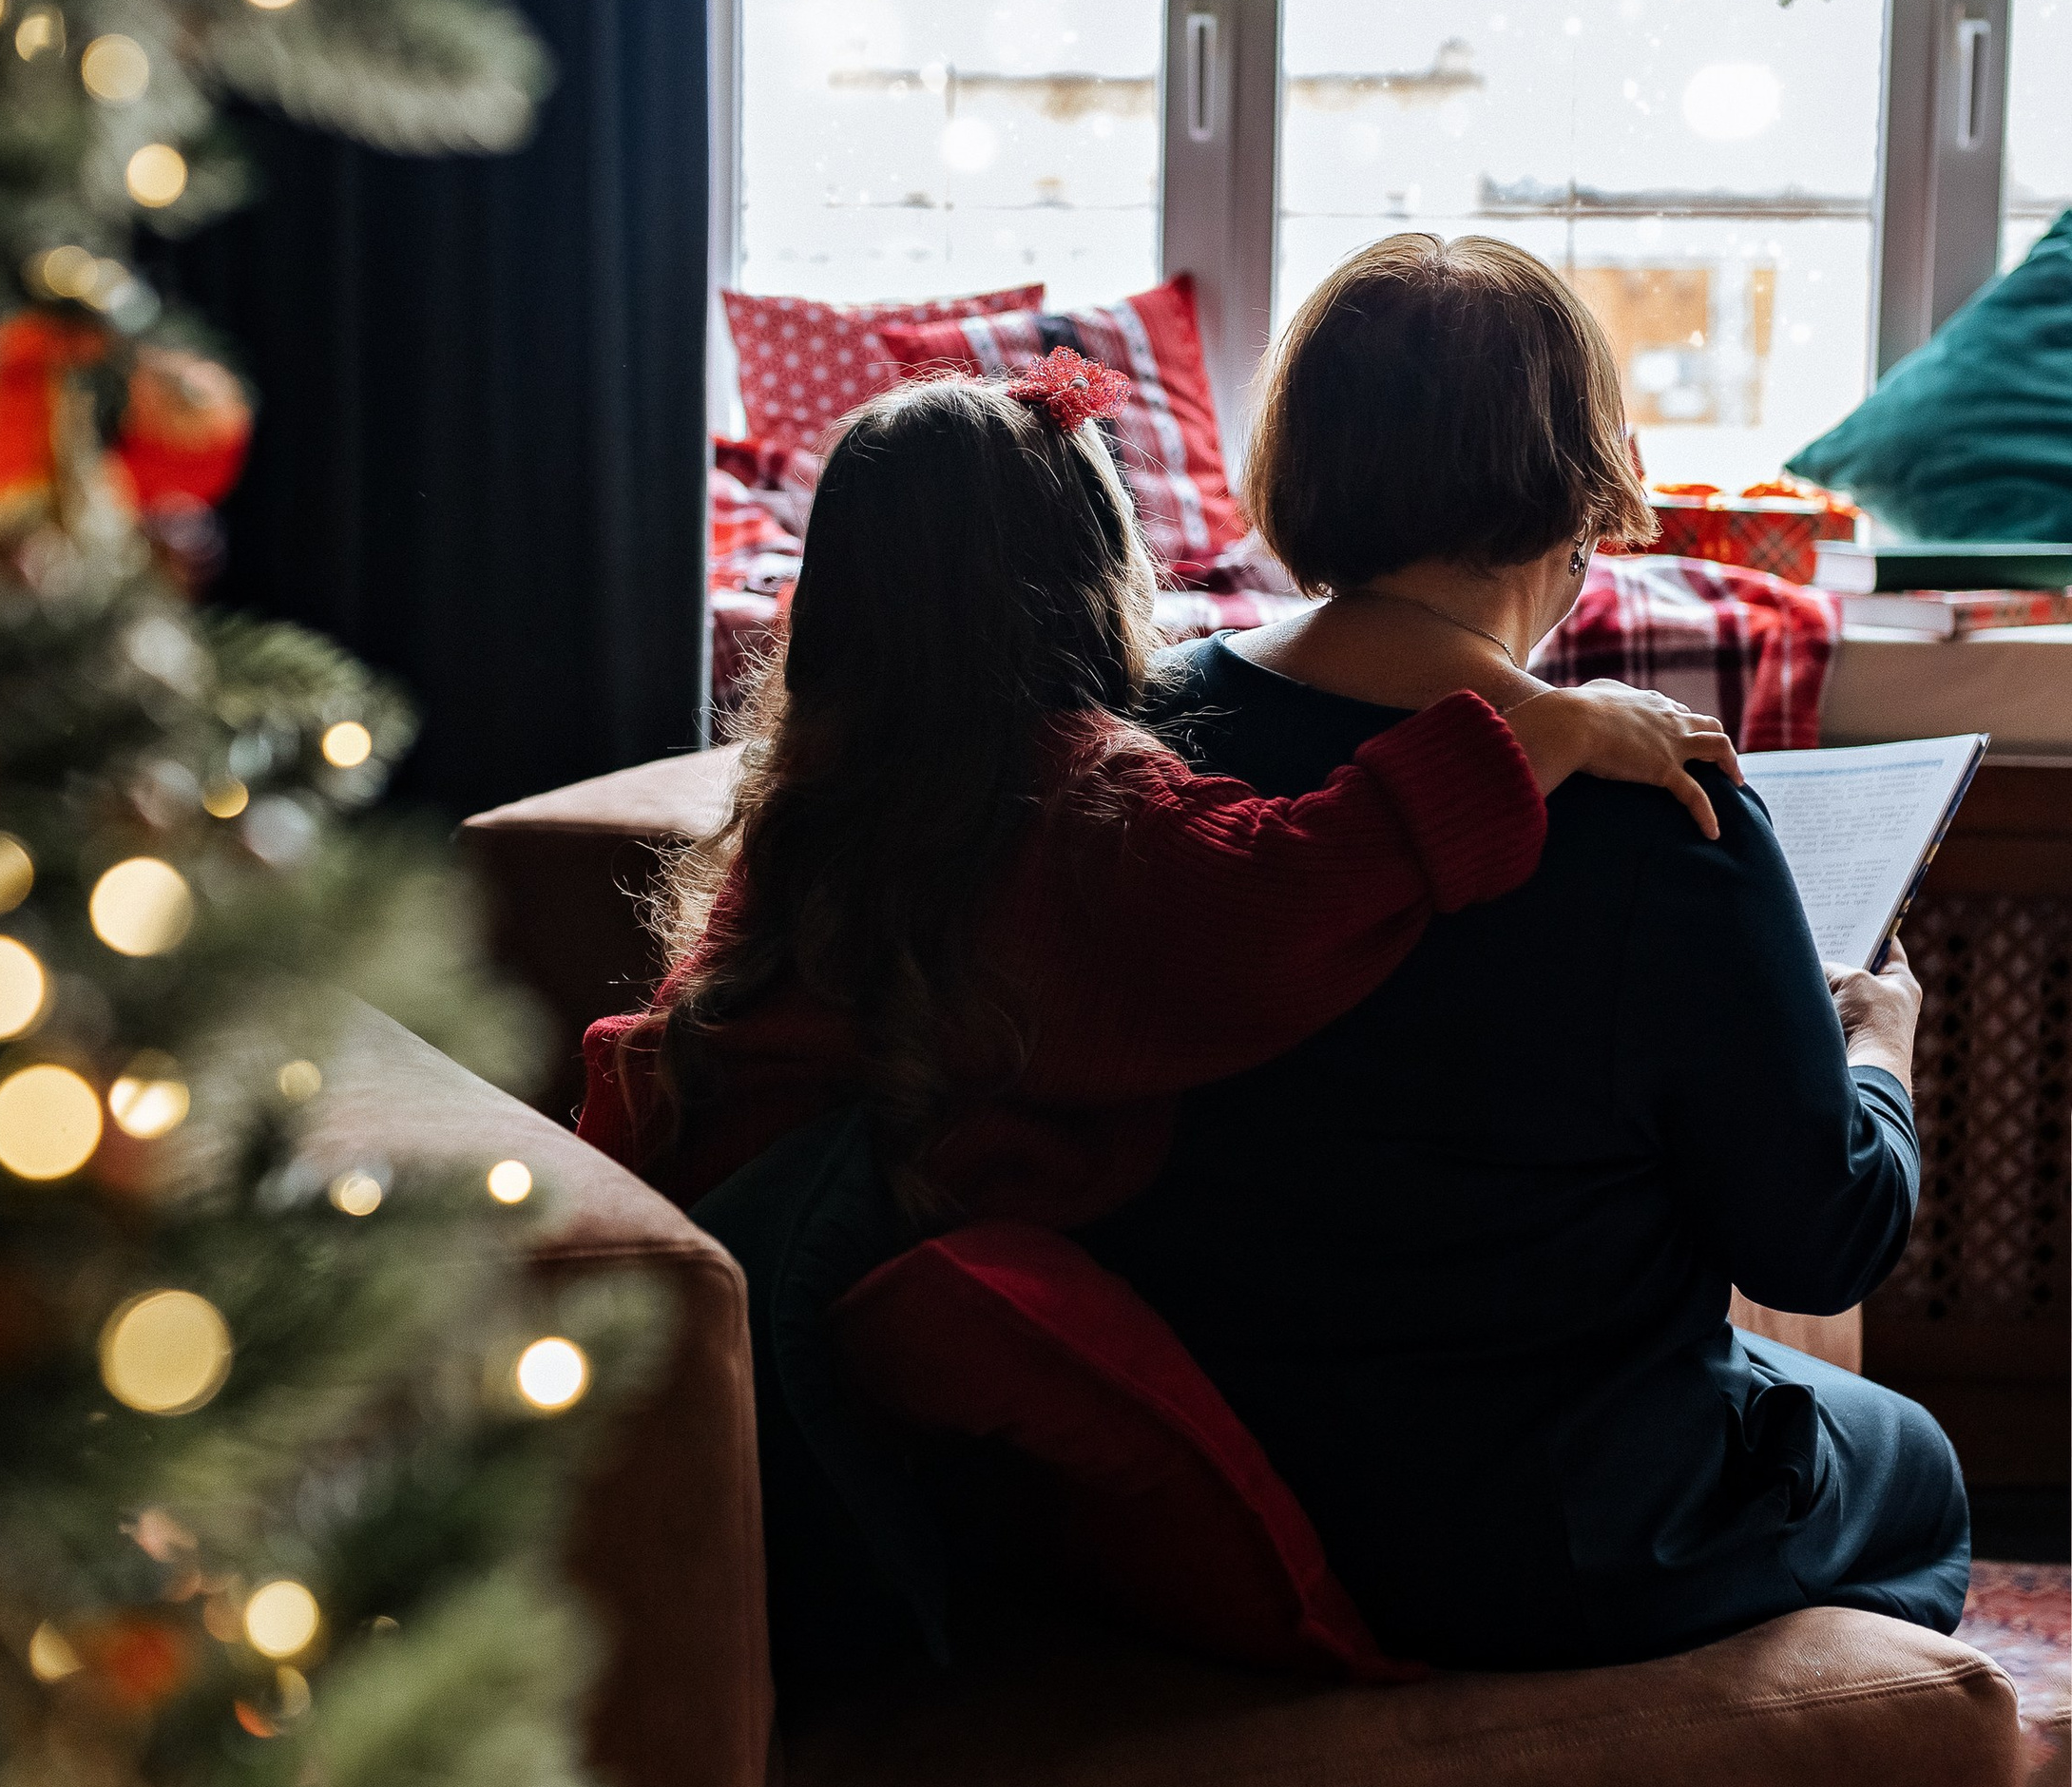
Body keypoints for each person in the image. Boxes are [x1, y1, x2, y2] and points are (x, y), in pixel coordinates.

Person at [1093, 233, 1968, 1669]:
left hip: (1194, 1484)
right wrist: (1880, 1050)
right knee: (1912, 1467)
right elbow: (1821, 1243)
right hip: (1523, 1536)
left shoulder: (1143, 734)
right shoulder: (1655, 815)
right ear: (1575, 497)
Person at [580, 351, 1738, 1238]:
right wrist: (1543, 730)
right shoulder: (1083, 793)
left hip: (708, 1211)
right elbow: (1293, 887)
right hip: (840, 1277)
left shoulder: (826, 784)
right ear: (1090, 569)